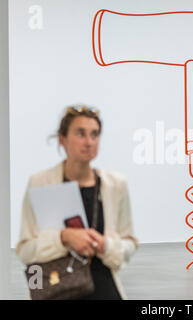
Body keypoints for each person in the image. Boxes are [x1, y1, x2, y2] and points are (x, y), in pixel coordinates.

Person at [16, 106, 138, 300]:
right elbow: (25, 251)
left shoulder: (115, 185)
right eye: (80, 134)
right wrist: (63, 238)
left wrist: (105, 245)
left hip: (104, 291)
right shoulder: (40, 183)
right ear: (62, 140)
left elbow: (129, 243)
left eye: (95, 134)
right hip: (56, 288)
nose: (89, 142)